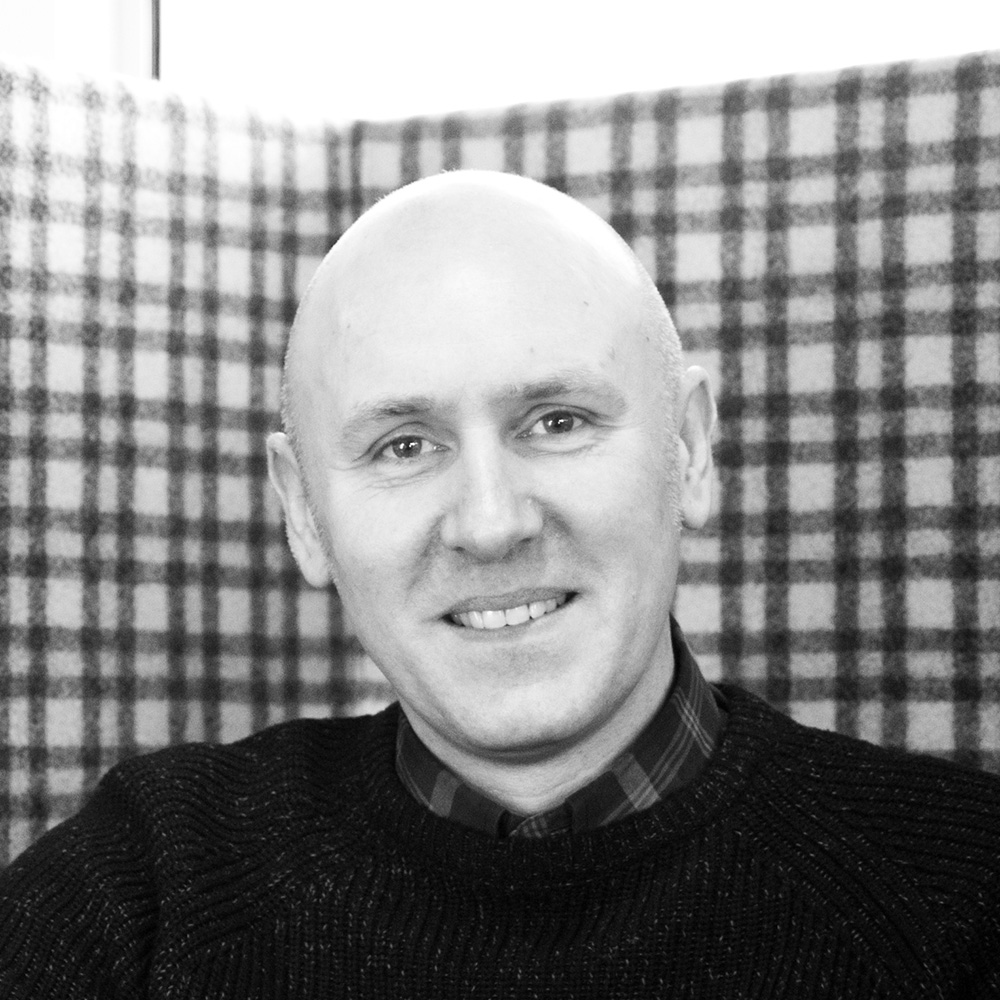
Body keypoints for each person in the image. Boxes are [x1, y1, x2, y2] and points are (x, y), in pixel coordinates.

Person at [0, 170, 998, 998]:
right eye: (403, 444)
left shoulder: (965, 897)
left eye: (557, 421)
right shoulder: (138, 895)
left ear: (689, 450)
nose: (490, 522)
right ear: (303, 511)